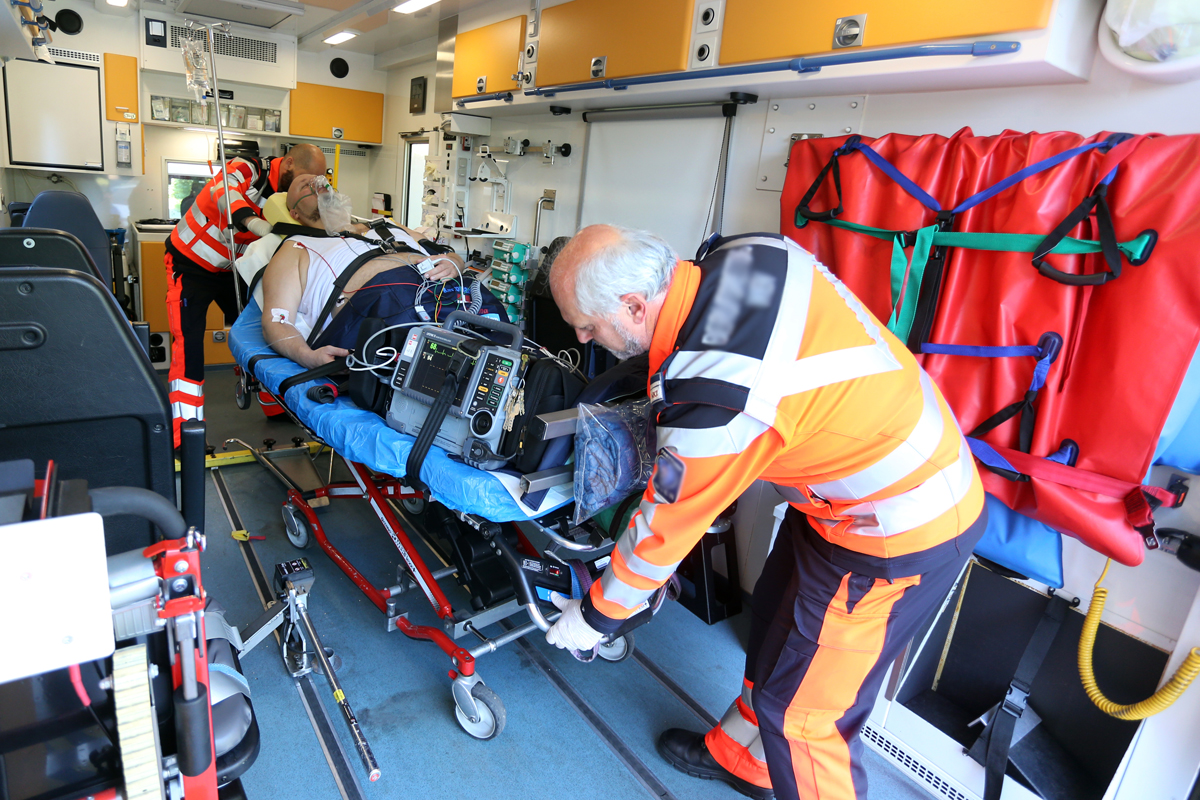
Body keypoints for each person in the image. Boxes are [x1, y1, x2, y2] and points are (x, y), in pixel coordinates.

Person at [545, 225, 986, 800]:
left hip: (899, 527)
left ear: (633, 306)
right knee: (776, 627)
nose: (583, 337)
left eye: (587, 325)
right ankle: (744, 760)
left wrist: (596, 615)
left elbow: (665, 526)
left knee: (805, 718)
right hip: (845, 491)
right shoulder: (744, 253)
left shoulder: (715, 398)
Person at [164, 143, 327, 447]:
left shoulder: (291, 196)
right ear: (289, 163)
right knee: (189, 348)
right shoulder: (249, 168)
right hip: (190, 265)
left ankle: (274, 406)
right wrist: (252, 222)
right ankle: (185, 436)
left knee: (263, 333)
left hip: (234, 270)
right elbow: (223, 190)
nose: (307, 186)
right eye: (304, 179)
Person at [259, 174, 480, 368]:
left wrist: (454, 263)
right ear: (295, 213)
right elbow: (276, 321)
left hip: (451, 293)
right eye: (305, 186)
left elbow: (446, 253)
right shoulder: (296, 247)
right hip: (386, 311)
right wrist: (307, 357)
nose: (317, 185)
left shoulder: (386, 224)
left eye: (321, 180)